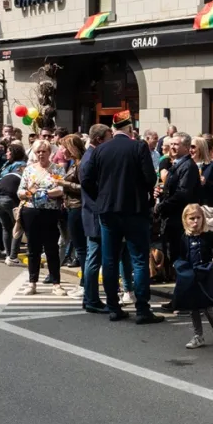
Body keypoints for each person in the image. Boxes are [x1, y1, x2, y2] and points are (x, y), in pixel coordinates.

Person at [79, 110, 164, 325]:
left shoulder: (100, 149)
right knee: (138, 259)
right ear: (129, 128)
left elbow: (86, 178)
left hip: (108, 210)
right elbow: (149, 178)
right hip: (134, 209)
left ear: (114, 129)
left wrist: (102, 195)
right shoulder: (138, 146)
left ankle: (114, 307)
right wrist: (139, 192)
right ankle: (143, 309)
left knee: (109, 259)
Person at [155, 133, 201, 304]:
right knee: (176, 259)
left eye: (176, 144)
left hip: (180, 220)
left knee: (182, 259)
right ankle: (181, 296)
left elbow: (183, 194)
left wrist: (163, 206)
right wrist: (160, 193)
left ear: (187, 147)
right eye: (171, 144)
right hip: (173, 219)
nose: (172, 147)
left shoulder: (188, 166)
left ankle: (185, 298)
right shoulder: (176, 165)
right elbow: (172, 190)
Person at [17, 140, 66, 296]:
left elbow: (61, 189)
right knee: (33, 248)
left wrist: (46, 193)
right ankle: (32, 283)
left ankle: (56, 283)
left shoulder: (56, 169)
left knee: (51, 248)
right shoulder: (29, 170)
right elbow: (20, 191)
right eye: (38, 151)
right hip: (30, 211)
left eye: (44, 151)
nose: (41, 154)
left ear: (49, 152)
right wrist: (26, 193)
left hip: (50, 212)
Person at [176, 204, 213, 349]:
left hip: (206, 273)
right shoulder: (185, 237)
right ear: (186, 220)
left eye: (198, 218)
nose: (195, 221)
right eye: (192, 218)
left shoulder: (208, 236)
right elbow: (182, 255)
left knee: (208, 306)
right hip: (192, 275)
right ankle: (198, 336)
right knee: (193, 307)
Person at [79, 124, 112, 314]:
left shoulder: (92, 156)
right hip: (94, 213)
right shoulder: (91, 158)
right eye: (109, 138)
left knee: (94, 257)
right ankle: (91, 299)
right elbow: (90, 185)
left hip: (93, 211)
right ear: (99, 140)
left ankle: (89, 297)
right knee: (94, 257)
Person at [58, 134, 88, 298]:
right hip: (72, 206)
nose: (61, 150)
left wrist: (64, 184)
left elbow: (84, 187)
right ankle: (84, 283)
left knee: (81, 248)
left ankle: (85, 284)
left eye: (64, 147)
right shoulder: (74, 163)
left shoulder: (81, 164)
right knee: (80, 247)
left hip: (78, 208)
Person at [0, 143, 26, 265]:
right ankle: (12, 256)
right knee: (18, 226)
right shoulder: (16, 165)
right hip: (9, 196)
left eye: (9, 151)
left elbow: (3, 178)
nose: (6, 153)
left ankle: (9, 255)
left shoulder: (19, 165)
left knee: (6, 227)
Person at [193, 136, 213, 208]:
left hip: (208, 211)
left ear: (201, 149)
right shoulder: (187, 166)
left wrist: (206, 183)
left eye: (193, 147)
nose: (190, 150)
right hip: (192, 210)